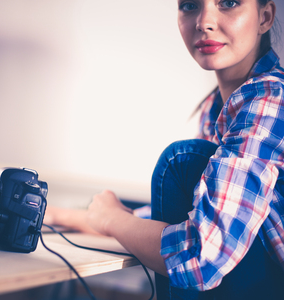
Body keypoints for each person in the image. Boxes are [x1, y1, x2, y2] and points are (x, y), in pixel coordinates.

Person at [44, 0, 284, 299]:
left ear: (264, 17)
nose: (204, 21)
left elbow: (201, 259)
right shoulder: (217, 106)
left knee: (181, 161)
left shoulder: (270, 98)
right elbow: (197, 214)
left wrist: (113, 220)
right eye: (190, 5)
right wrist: (64, 216)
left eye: (229, 3)